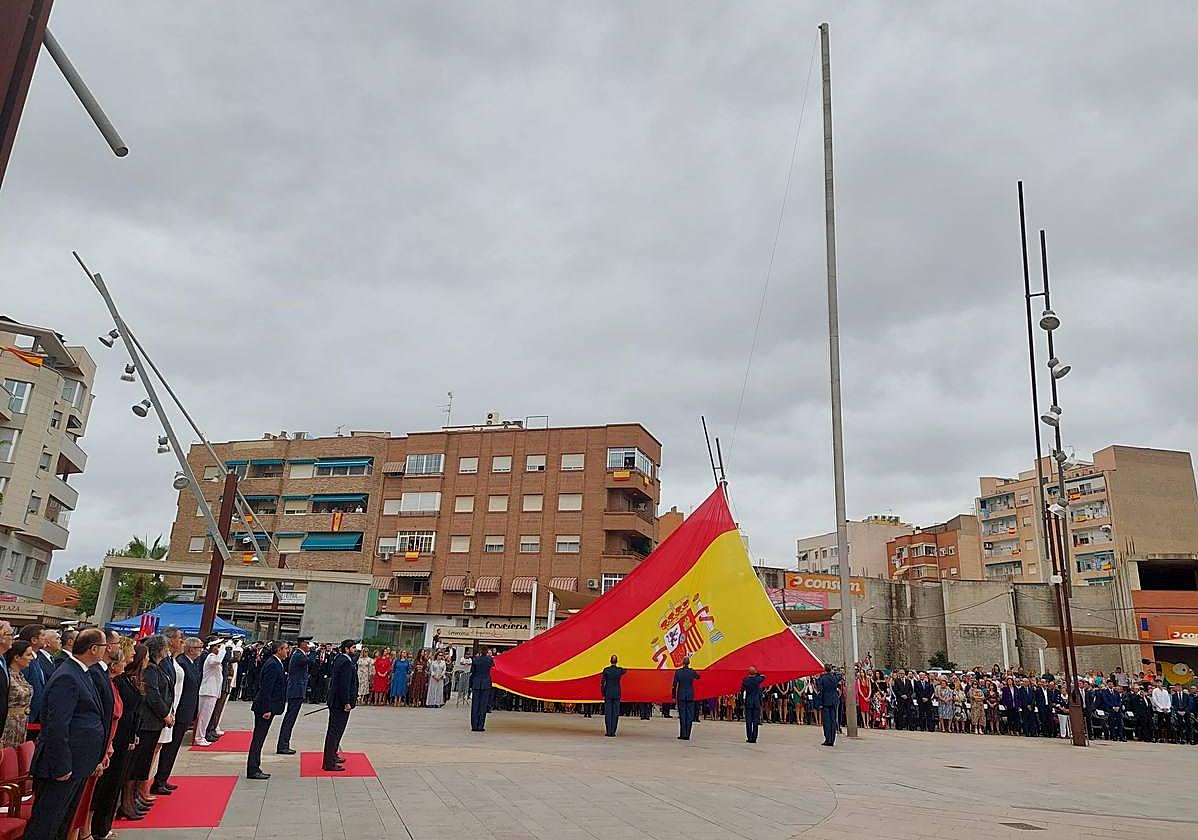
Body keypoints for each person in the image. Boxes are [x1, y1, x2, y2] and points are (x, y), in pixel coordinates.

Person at [24, 628, 108, 840]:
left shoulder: (82, 672)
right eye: (105, 646)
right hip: (63, 764)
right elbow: (56, 725)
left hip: (79, 762)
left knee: (62, 822)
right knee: (46, 824)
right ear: (94, 648)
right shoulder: (68, 676)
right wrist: (62, 765)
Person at [92, 639, 143, 836]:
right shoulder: (114, 681)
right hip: (114, 738)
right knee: (107, 784)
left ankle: (104, 825)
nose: (128, 661)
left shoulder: (122, 680)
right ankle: (97, 827)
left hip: (122, 737)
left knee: (115, 783)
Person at [153, 632, 200, 795]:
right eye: (179, 639)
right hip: (177, 709)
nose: (182, 641)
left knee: (172, 748)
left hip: (184, 708)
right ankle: (159, 780)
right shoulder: (177, 661)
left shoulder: (182, 661)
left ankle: (163, 778)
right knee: (166, 748)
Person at [128, 634, 172, 810]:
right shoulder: (151, 669)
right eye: (165, 647)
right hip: (147, 722)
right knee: (138, 763)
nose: (167, 650)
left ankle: (137, 794)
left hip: (155, 722)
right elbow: (152, 695)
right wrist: (165, 714)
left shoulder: (159, 667)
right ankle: (130, 799)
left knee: (144, 762)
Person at [248, 640, 288, 780]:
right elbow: (266, 688)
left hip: (269, 706)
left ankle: (255, 766)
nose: (287, 652)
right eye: (285, 649)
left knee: (260, 738)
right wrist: (267, 709)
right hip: (264, 707)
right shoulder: (272, 664)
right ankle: (253, 768)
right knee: (258, 738)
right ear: (279, 650)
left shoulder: (277, 663)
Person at [277, 636, 318, 754]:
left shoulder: (300, 654)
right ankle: (283, 745)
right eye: (307, 643)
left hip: (298, 689)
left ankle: (284, 744)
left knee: (291, 718)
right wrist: (314, 651)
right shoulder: (299, 655)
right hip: (296, 690)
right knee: (290, 718)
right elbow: (311, 662)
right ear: (302, 644)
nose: (309, 645)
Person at [323, 639, 359, 771]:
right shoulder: (344, 662)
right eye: (353, 648)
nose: (355, 650)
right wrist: (346, 702)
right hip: (340, 703)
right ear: (346, 649)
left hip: (338, 702)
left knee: (337, 731)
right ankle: (329, 762)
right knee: (334, 731)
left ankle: (332, 755)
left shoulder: (342, 660)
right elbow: (344, 684)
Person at [193, 639, 225, 746]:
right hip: (208, 691)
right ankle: (199, 737)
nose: (219, 648)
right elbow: (218, 661)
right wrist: (223, 650)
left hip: (212, 691)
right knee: (203, 716)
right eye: (218, 646)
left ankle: (201, 736)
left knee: (206, 716)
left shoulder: (214, 657)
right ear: (213, 648)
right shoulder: (211, 657)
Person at [2, 640, 34, 747]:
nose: (31, 658)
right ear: (17, 657)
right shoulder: (7, 676)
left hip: (21, 724)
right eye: (28, 655)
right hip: (8, 724)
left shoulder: (20, 676)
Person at [18, 625, 48, 733]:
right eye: (43, 636)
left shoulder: (36, 659)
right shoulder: (26, 662)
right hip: (28, 716)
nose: (46, 638)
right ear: (34, 640)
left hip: (36, 716)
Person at [671, 656, 700, 741]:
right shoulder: (692, 672)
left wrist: (673, 696)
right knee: (690, 715)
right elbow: (698, 677)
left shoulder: (678, 672)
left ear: (682, 662)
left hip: (681, 695)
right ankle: (687, 735)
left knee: (682, 715)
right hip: (690, 695)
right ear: (689, 663)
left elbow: (674, 685)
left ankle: (682, 734)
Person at [815, 663, 844, 746]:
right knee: (833, 720)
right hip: (834, 700)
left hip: (826, 701)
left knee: (827, 721)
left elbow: (820, 689)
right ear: (831, 669)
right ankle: (832, 739)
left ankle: (828, 739)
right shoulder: (834, 678)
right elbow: (840, 676)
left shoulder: (822, 678)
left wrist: (817, 680)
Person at [599, 655, 626, 737]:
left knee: (608, 713)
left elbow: (602, 683)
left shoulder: (606, 670)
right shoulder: (619, 670)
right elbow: (625, 670)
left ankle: (608, 731)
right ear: (616, 661)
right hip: (617, 693)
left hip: (608, 693)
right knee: (615, 713)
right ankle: (613, 732)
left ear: (610, 661)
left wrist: (603, 693)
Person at [469, 648, 494, 732]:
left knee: (475, 705)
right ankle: (480, 726)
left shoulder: (475, 660)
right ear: (487, 652)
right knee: (483, 706)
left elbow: (472, 672)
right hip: (486, 683)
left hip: (476, 683)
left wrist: (470, 684)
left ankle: (474, 726)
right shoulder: (489, 660)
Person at [741, 666, 765, 744]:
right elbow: (763, 676)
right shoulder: (758, 679)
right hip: (756, 702)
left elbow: (742, 691)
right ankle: (754, 738)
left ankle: (749, 737)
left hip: (748, 702)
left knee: (748, 721)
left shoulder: (745, 680)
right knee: (755, 721)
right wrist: (756, 673)